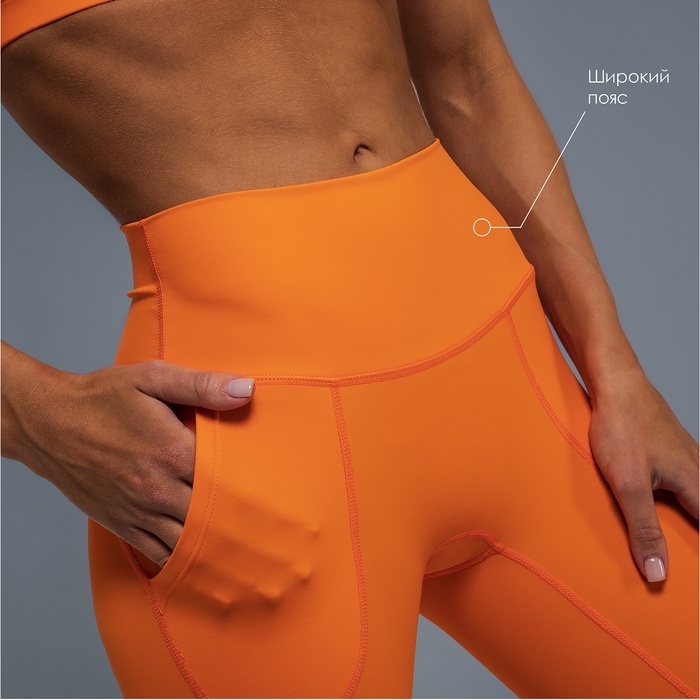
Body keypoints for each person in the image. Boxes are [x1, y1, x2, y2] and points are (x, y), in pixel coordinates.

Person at [1, 0, 697, 697]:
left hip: (522, 402)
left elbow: (471, 74)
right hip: (257, 462)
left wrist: (618, 372)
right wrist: (34, 416)